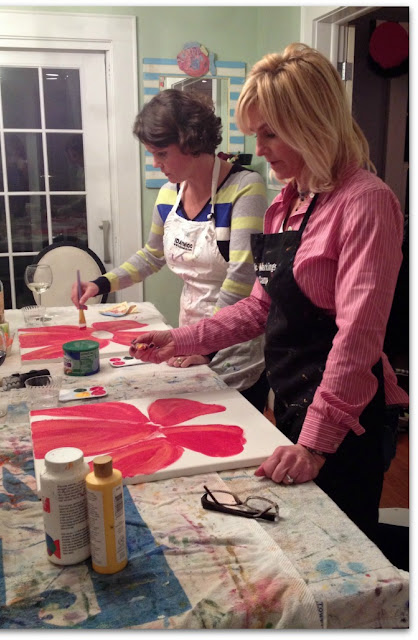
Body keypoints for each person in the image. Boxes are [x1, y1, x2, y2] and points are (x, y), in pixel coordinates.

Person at [129, 43, 409, 549]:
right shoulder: (287, 202)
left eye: (270, 133)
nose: (258, 149)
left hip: (347, 418)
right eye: (255, 133)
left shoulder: (366, 203)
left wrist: (315, 444)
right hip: (295, 400)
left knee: (343, 550)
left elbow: (357, 339)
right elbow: (261, 306)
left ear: (313, 123)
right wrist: (182, 339)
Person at [72, 89, 269, 412]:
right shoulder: (169, 194)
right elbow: (152, 255)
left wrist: (206, 346)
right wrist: (102, 283)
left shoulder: (245, 188)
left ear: (192, 141)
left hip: (232, 347)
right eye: (152, 154)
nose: (156, 164)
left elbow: (242, 278)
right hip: (186, 340)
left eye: (162, 153)